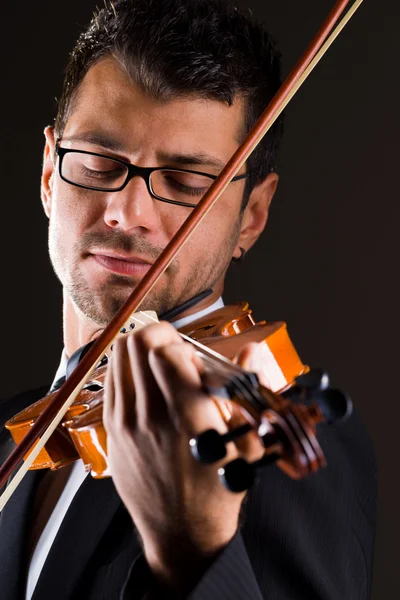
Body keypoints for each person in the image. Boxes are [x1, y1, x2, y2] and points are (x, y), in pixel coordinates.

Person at [0, 0, 376, 598]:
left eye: (185, 183)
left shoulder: (259, 440)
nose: (128, 213)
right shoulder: (19, 434)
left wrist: (194, 550)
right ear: (50, 172)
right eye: (99, 162)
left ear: (252, 216)